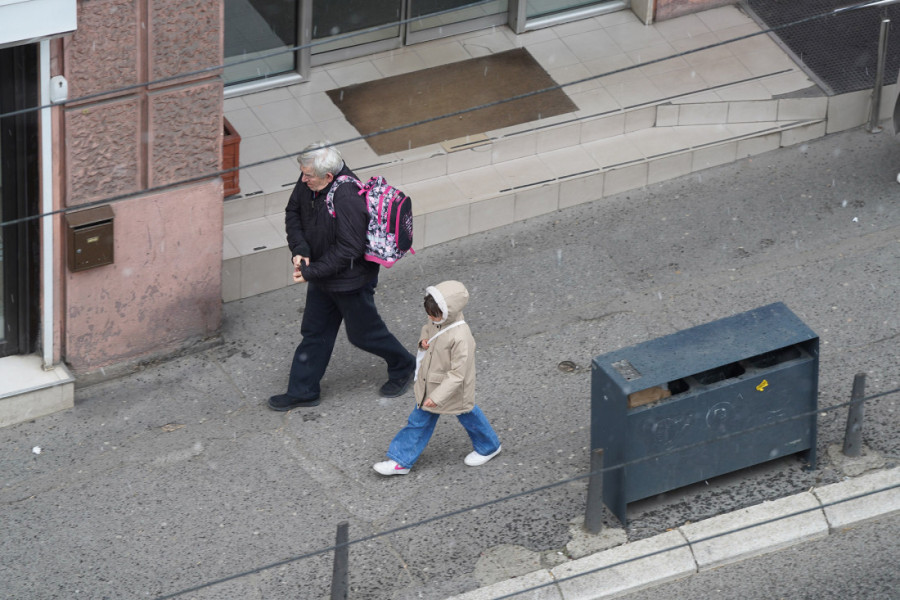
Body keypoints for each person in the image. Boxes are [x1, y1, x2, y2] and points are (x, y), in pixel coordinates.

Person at [268, 142, 415, 411]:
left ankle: (404, 365)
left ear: (327, 176)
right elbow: (293, 212)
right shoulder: (311, 180)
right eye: (302, 173)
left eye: (307, 176)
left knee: (364, 335)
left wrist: (311, 272)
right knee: (315, 333)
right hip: (324, 276)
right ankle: (303, 391)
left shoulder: (347, 197)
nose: (302, 179)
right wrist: (300, 249)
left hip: (351, 282)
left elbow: (350, 249)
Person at [374, 280, 501, 475]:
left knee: (462, 413)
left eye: (435, 315)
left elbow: (458, 373)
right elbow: (427, 331)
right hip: (434, 385)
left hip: (444, 388)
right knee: (461, 413)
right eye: (430, 314)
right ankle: (488, 445)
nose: (430, 318)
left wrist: (437, 396)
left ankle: (401, 460)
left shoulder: (460, 336)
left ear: (447, 311)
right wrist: (423, 342)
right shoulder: (439, 321)